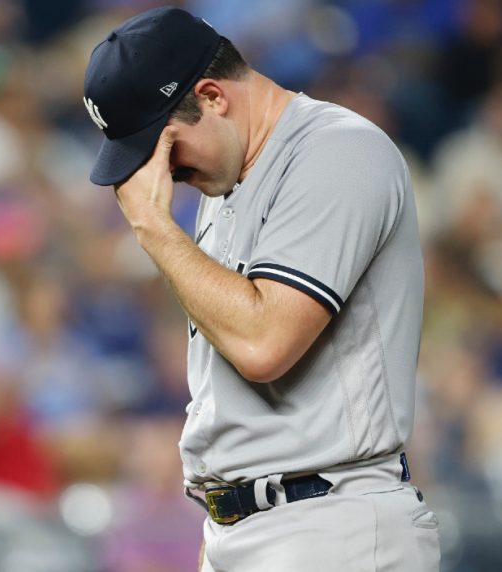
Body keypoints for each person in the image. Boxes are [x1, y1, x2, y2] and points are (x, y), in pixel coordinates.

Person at [83, 6, 440, 571]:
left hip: (328, 525)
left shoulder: (336, 152)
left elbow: (264, 344)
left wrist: (153, 227)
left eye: (165, 147)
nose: (162, 173)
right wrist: (222, 514)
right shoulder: (224, 183)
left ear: (212, 96)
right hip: (253, 526)